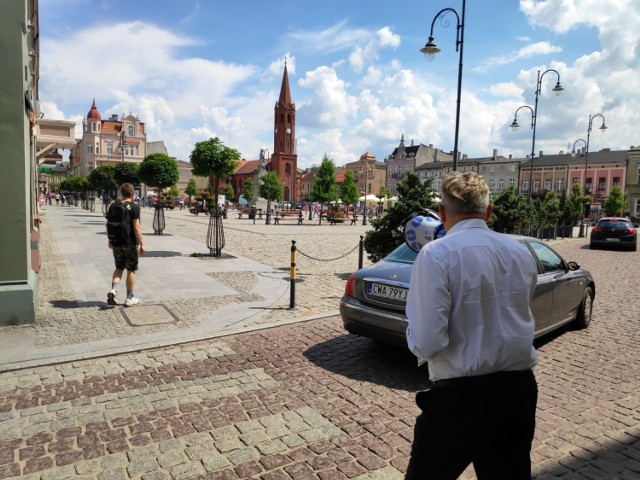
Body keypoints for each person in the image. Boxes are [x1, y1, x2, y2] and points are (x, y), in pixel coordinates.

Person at [405, 171, 539, 480]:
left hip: (459, 400)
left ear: (442, 212)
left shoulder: (436, 254)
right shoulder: (520, 253)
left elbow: (428, 343)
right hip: (517, 393)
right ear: (488, 212)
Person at [107, 183, 145, 307]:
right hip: (130, 243)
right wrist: (142, 243)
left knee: (119, 268)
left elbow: (110, 223)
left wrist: (110, 239)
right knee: (131, 270)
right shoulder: (134, 207)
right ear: (132, 193)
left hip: (116, 242)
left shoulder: (114, 205)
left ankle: (113, 290)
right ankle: (129, 298)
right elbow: (136, 227)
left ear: (121, 193)